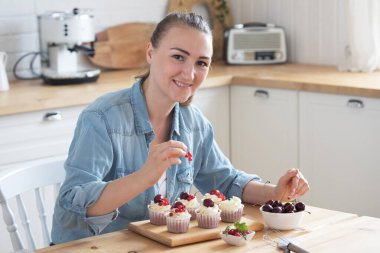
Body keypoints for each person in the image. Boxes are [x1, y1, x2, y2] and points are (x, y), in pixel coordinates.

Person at [51, 12, 309, 244]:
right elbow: (74, 204)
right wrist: (145, 175)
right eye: (178, 57)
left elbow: (226, 180)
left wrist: (275, 193)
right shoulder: (102, 118)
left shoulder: (194, 123)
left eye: (201, 63)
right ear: (150, 53)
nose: (190, 73)